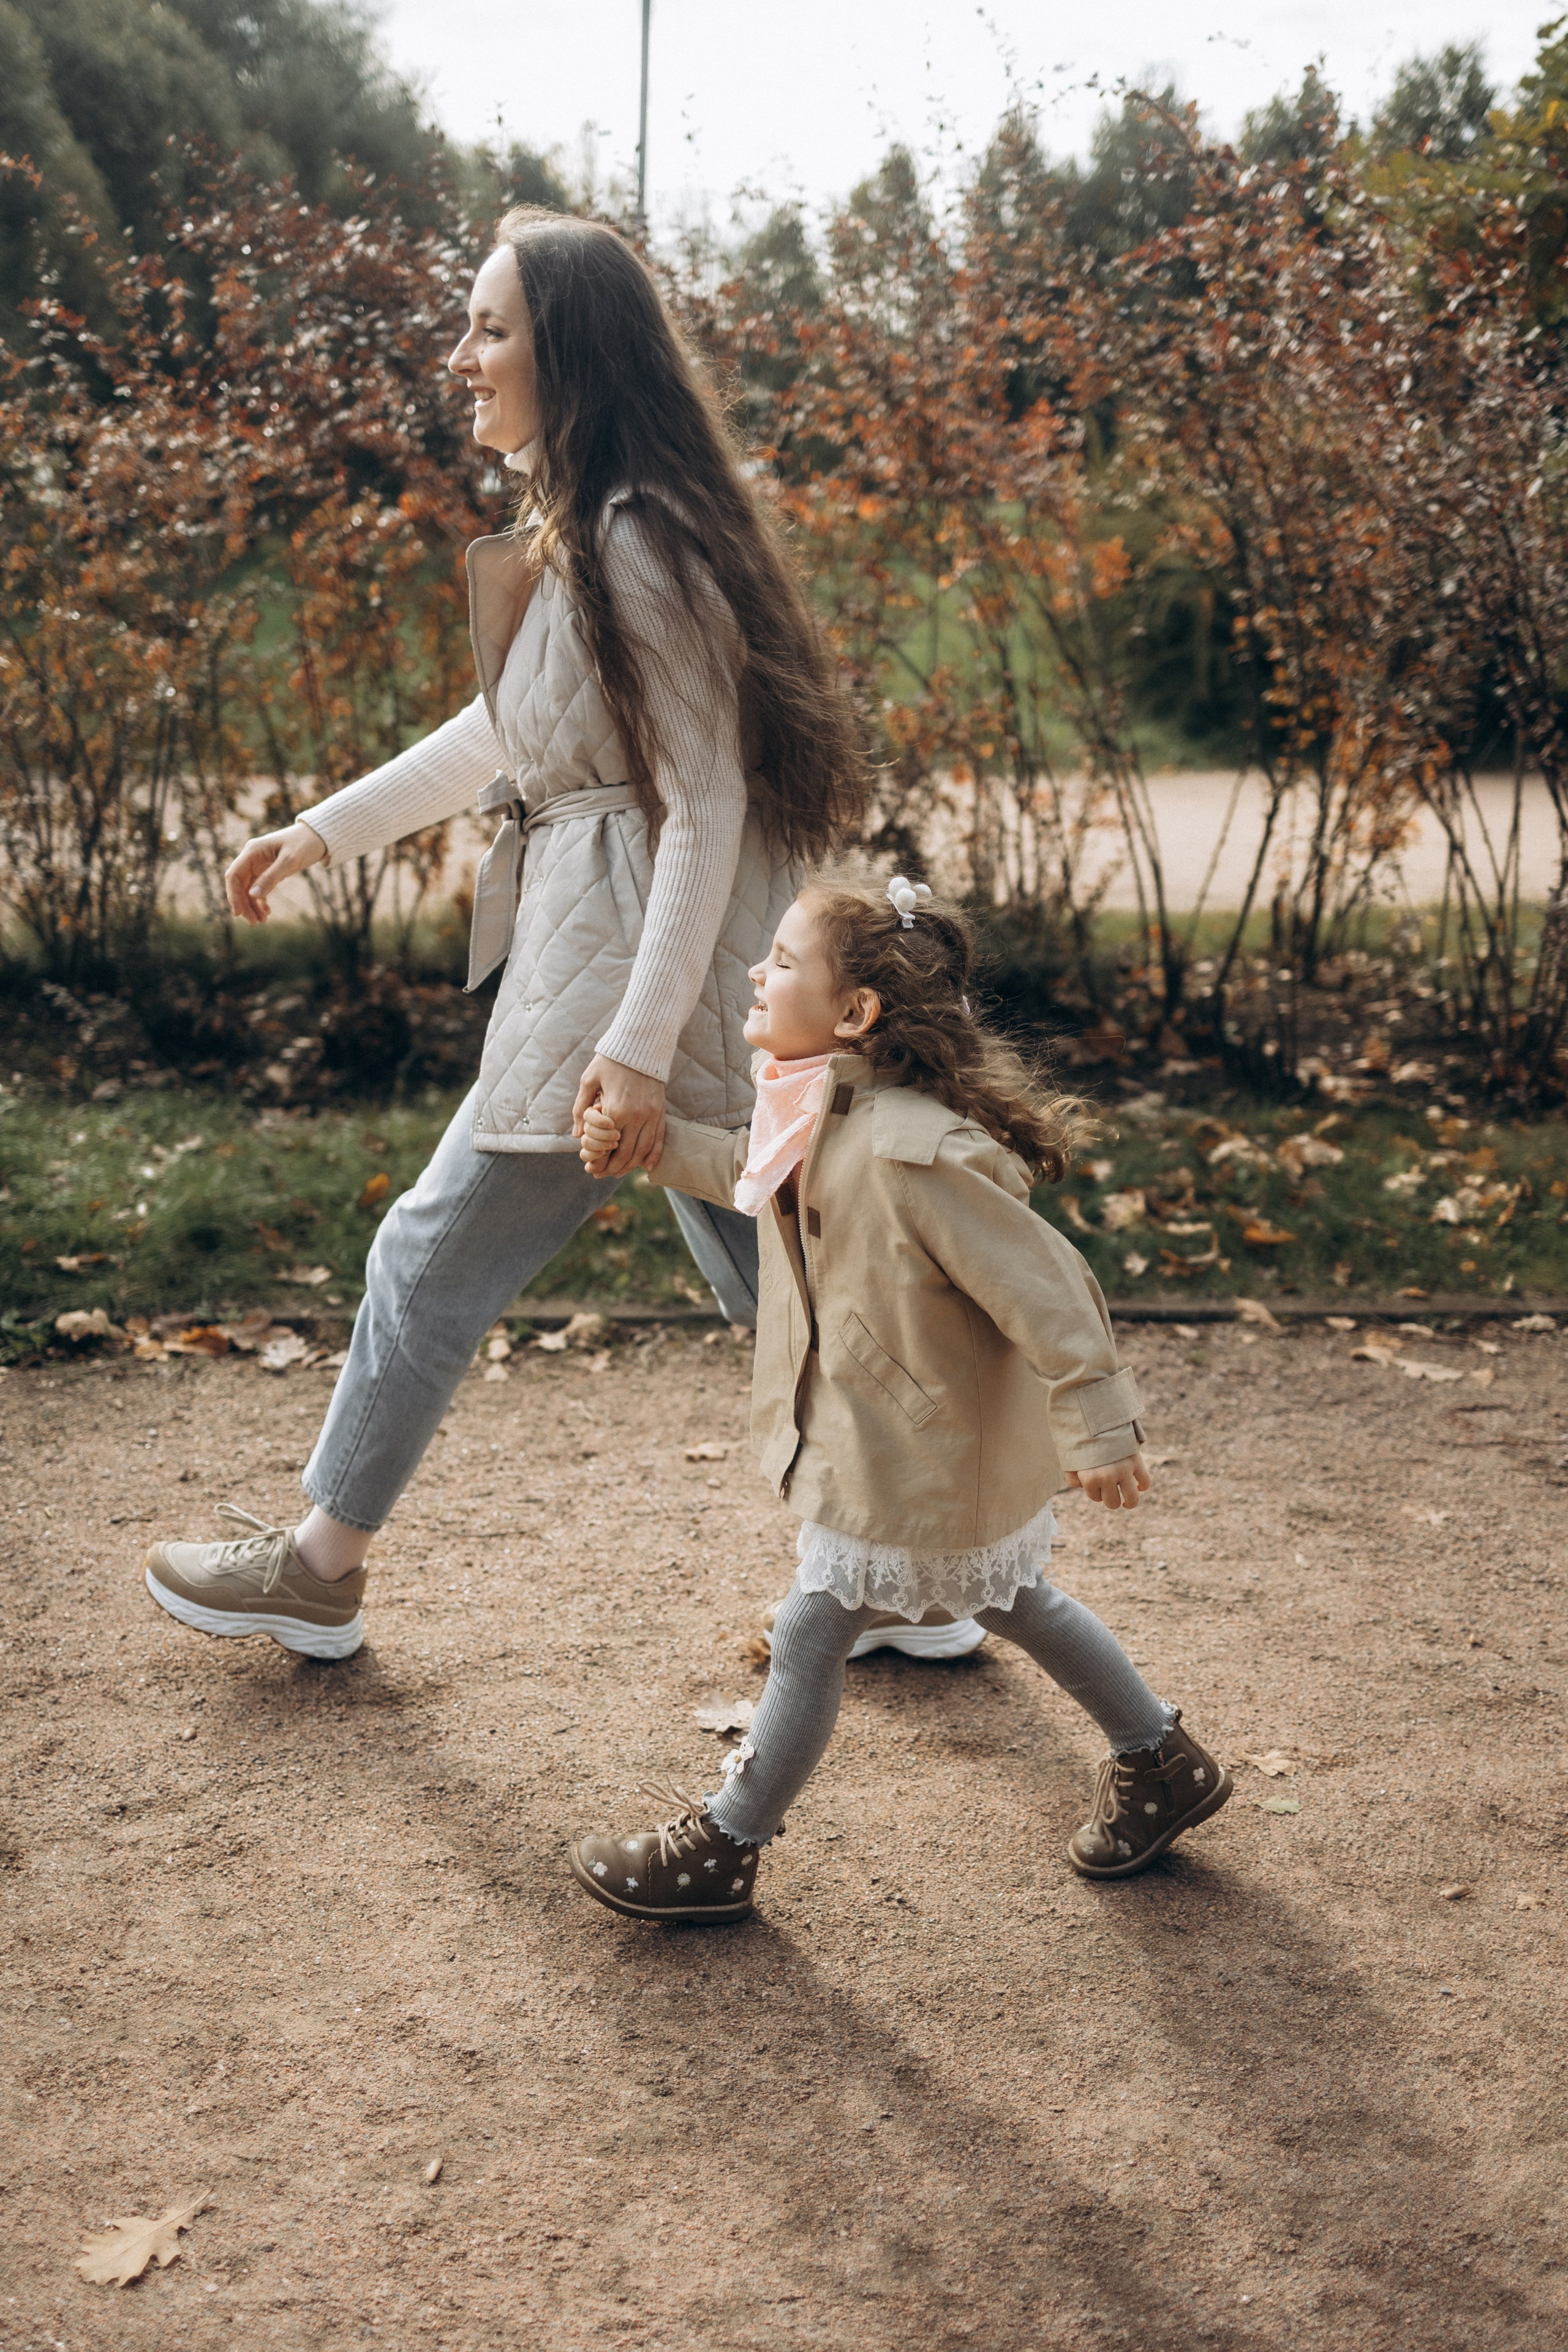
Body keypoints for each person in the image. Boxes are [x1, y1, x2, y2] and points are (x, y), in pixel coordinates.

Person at [141, 208, 861, 1660]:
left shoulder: (636, 541)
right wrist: (324, 828)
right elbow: (505, 735)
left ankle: (319, 1567)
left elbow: (703, 798)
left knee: (434, 1254)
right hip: (642, 961)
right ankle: (914, 1573)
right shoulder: (593, 531)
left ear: (569, 353)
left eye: (489, 329)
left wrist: (635, 1053)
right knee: (792, 1281)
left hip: (639, 974)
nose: (460, 357)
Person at [567, 870, 1232, 1919]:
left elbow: (1048, 1286)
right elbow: (757, 1174)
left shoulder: (916, 1152)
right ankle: (1163, 1761)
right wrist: (652, 1149)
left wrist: (1100, 1425)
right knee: (1015, 1601)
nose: (757, 967)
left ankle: (726, 1847)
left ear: (856, 1013)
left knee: (812, 1629)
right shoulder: (825, 1110)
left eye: (783, 960)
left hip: (914, 1447)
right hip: (895, 1439)